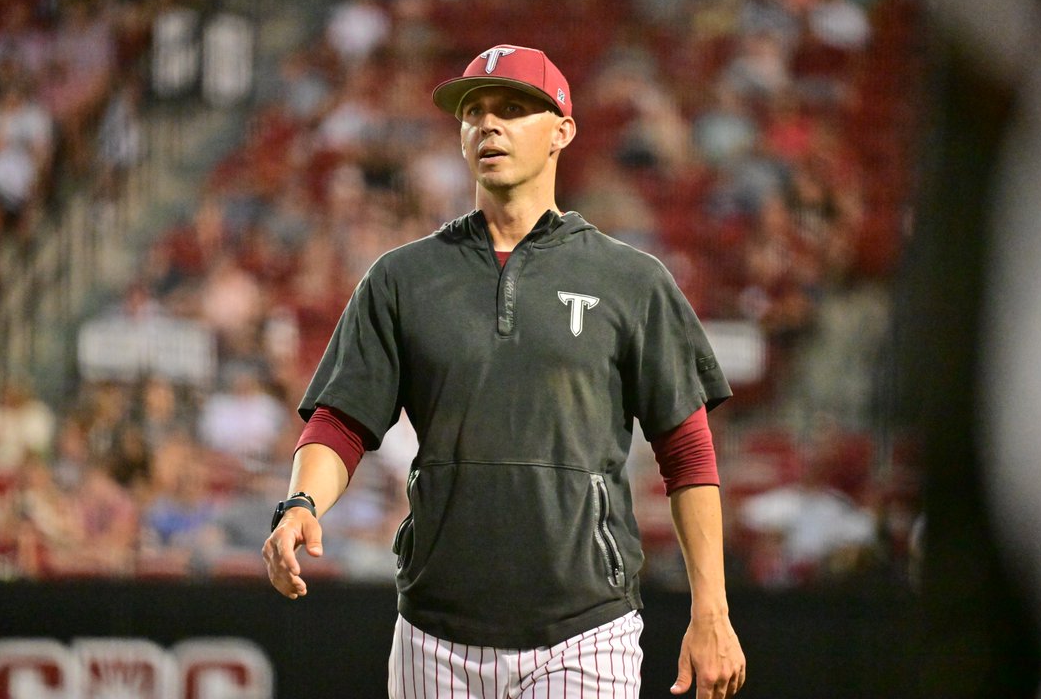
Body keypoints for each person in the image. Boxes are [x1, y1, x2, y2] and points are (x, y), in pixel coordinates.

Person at [263, 45, 747, 698]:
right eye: (474, 112)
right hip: (434, 636)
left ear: (562, 131)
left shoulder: (631, 280)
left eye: (513, 109)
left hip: (585, 629)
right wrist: (301, 503)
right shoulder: (403, 278)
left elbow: (687, 453)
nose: (487, 125)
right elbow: (341, 421)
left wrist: (711, 611)